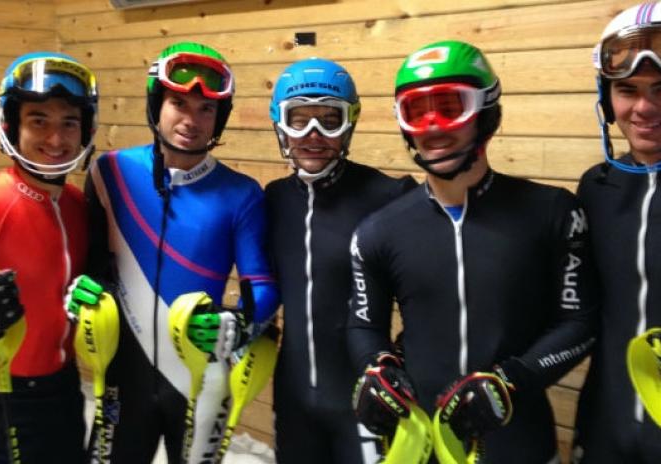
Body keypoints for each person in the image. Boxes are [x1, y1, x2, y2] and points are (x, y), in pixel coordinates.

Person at [347, 40, 598, 463]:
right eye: (415, 111)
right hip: (421, 443)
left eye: (450, 107)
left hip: (521, 444)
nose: (432, 126)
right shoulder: (378, 231)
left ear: (486, 112)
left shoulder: (554, 211)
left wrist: (512, 381)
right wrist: (377, 366)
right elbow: (362, 326)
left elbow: (580, 321)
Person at [69, 41, 279, 463]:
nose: (191, 120)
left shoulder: (241, 193)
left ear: (220, 116)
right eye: (178, 103)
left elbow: (263, 285)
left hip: (199, 380)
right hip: (122, 376)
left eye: (206, 109)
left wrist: (238, 324)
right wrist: (77, 288)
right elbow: (88, 261)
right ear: (156, 104)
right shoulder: (110, 171)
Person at [264, 58, 416, 464]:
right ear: (280, 124)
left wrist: (399, 360)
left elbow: (430, 299)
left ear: (349, 124)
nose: (313, 134)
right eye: (299, 120)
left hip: (364, 398)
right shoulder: (274, 198)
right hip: (292, 398)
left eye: (329, 120)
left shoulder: (391, 196)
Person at [0, 51, 97, 463]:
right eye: (39, 120)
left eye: (69, 123)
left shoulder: (77, 204)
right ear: (11, 125)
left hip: (62, 392)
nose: (56, 139)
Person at [571, 3, 661, 462]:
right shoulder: (595, 187)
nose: (644, 108)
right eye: (627, 90)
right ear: (607, 100)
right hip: (605, 426)